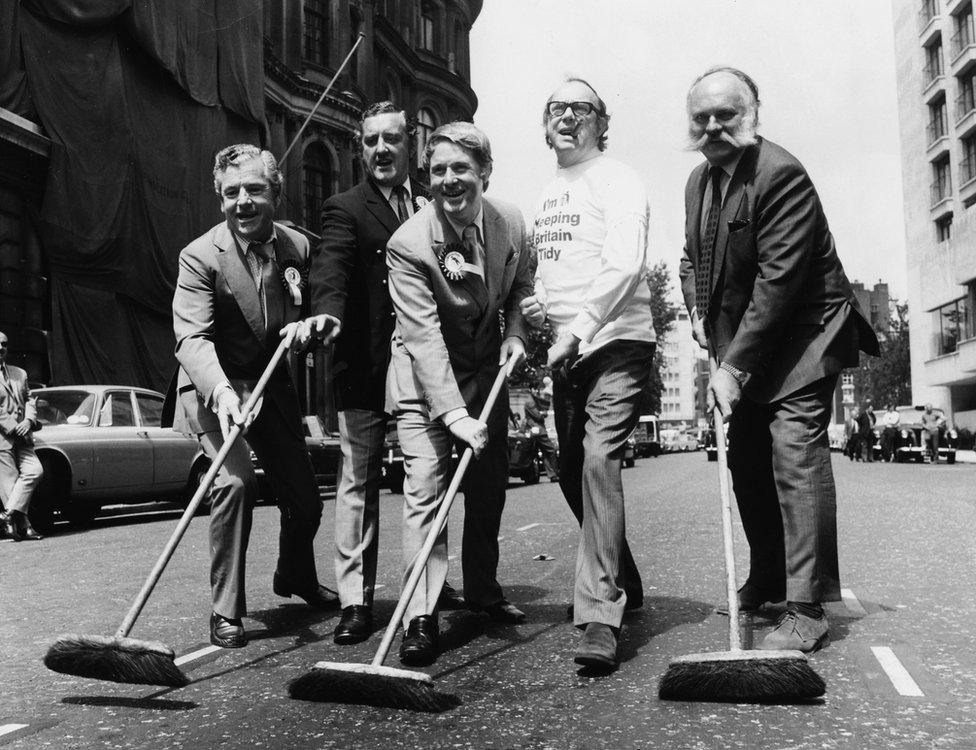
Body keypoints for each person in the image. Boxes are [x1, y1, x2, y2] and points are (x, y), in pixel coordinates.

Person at [678, 67, 879, 653]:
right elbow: (692, 258)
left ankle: (806, 606)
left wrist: (733, 368)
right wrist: (696, 313)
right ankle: (768, 576)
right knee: (744, 460)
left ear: (753, 115)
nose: (713, 127)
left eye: (726, 115)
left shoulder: (781, 173)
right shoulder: (697, 180)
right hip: (746, 341)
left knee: (794, 457)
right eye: (701, 118)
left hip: (804, 337)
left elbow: (779, 282)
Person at [170, 144, 338, 649]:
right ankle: (226, 610)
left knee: (305, 501)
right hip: (213, 389)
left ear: (276, 194)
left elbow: (313, 302)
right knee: (236, 483)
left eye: (254, 190)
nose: (242, 201)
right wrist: (220, 390)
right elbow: (191, 339)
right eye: (231, 192)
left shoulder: (298, 248)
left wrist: (308, 325)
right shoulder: (200, 256)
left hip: (271, 386)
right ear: (220, 198)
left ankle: (295, 577)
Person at [306, 102, 461, 646]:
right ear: (360, 147)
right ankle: (355, 602)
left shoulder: (432, 204)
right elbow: (332, 265)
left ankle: (424, 597)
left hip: (423, 369)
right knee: (357, 483)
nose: (381, 150)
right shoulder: (344, 207)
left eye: (392, 139)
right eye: (371, 141)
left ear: (409, 146)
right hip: (366, 363)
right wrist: (326, 310)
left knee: (427, 483)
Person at [520, 77, 656, 672]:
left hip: (618, 341)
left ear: (603, 123)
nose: (568, 117)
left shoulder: (618, 179)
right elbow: (556, 274)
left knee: (599, 460)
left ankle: (600, 615)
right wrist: (541, 306)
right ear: (544, 124)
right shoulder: (548, 193)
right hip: (568, 348)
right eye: (557, 108)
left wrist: (578, 329)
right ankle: (621, 572)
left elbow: (624, 262)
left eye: (582, 108)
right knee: (571, 468)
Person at [385, 121, 532, 666]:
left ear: (485, 174)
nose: (449, 180)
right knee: (425, 491)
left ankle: (484, 593)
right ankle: (420, 615)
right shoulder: (408, 245)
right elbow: (423, 338)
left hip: (485, 379)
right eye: (438, 170)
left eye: (461, 169)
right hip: (425, 386)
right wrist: (452, 414)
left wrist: (516, 333)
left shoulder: (511, 222)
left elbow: (520, 287)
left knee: (489, 490)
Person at [0, 331, 43, 541]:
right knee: (11, 484)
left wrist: (28, 421)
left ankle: (7, 515)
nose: (0, 348)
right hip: (2, 439)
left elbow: (29, 400)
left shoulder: (20, 373)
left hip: (24, 437)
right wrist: (13, 426)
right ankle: (24, 526)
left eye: (4, 344)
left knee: (35, 471)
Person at [521, 386, 559, 481]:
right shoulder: (530, 401)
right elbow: (538, 416)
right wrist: (543, 413)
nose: (537, 391)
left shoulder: (533, 400)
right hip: (538, 431)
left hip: (536, 430)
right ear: (531, 389)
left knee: (545, 453)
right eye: (535, 389)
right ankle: (553, 473)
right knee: (551, 450)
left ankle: (552, 474)